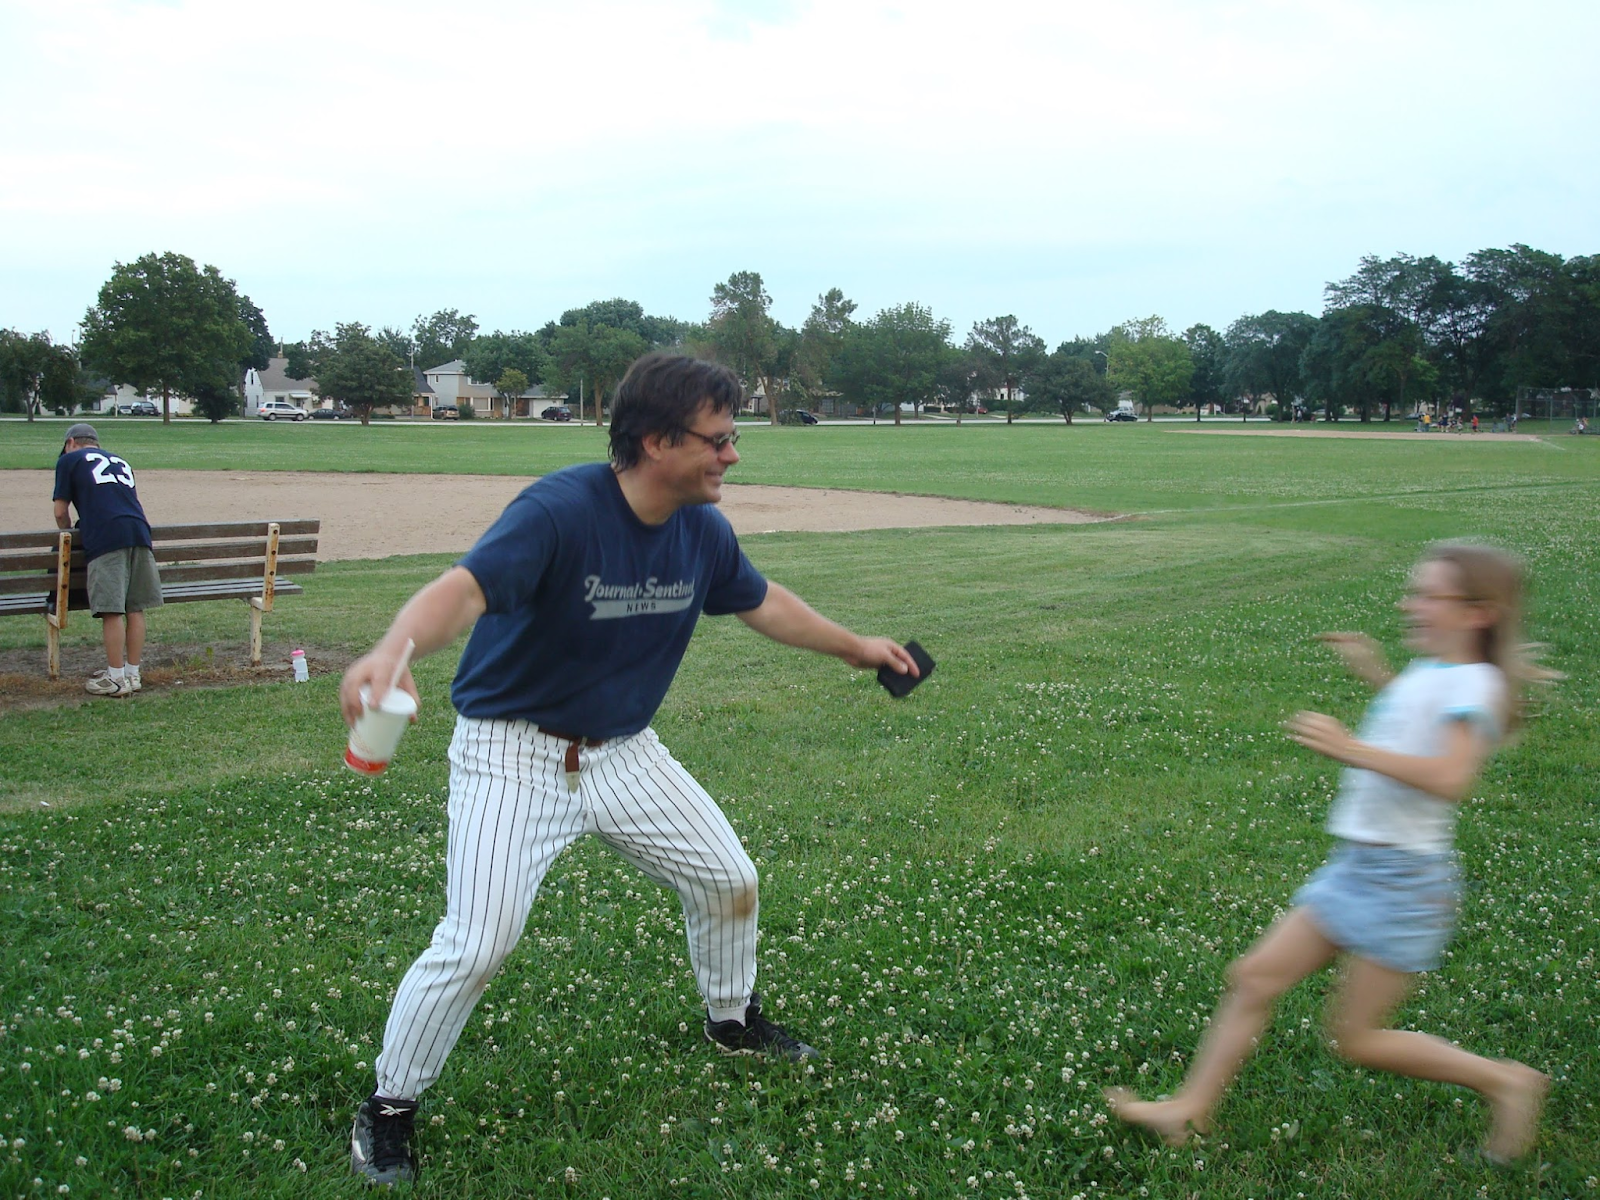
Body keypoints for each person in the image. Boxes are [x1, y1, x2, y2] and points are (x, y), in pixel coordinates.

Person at [340, 354, 920, 1186]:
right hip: (514, 753)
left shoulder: (702, 532)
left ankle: (731, 1021)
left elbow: (761, 601)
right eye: (718, 440)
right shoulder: (559, 511)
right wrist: (394, 647)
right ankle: (389, 1106)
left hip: (624, 753)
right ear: (656, 441)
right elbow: (462, 591)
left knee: (730, 879)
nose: (732, 455)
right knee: (479, 944)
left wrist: (859, 649)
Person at [1106, 543, 1551, 1165]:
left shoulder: (1476, 683)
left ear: (1477, 613)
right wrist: (1375, 673)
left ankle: (1506, 1080)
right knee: (1254, 977)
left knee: (1357, 1038)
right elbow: (1418, 715)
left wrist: (1351, 748)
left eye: (1427, 594)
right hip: (1357, 868)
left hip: (1404, 884)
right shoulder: (1435, 672)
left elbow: (1452, 776)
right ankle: (1189, 1109)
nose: (1409, 603)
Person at [52, 423, 161, 696]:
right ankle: (132, 674)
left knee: (112, 610)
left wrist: (67, 533)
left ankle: (114, 679)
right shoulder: (121, 461)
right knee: (135, 607)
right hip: (138, 532)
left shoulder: (69, 460)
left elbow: (59, 512)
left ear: (71, 442)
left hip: (106, 536)